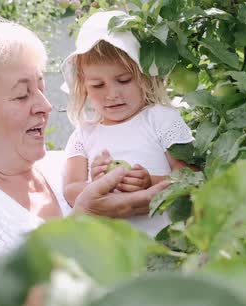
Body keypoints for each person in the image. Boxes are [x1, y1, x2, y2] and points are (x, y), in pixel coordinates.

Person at [0, 13, 168, 294]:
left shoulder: (66, 171)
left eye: (42, 89)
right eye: (22, 95)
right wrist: (83, 223)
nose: (44, 106)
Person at [61, 11, 194, 237]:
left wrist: (150, 182)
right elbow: (71, 189)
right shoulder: (83, 134)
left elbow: (190, 175)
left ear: (144, 76)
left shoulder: (161, 119)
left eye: (123, 80)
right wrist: (97, 186)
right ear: (84, 87)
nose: (112, 94)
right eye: (97, 85)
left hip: (165, 246)